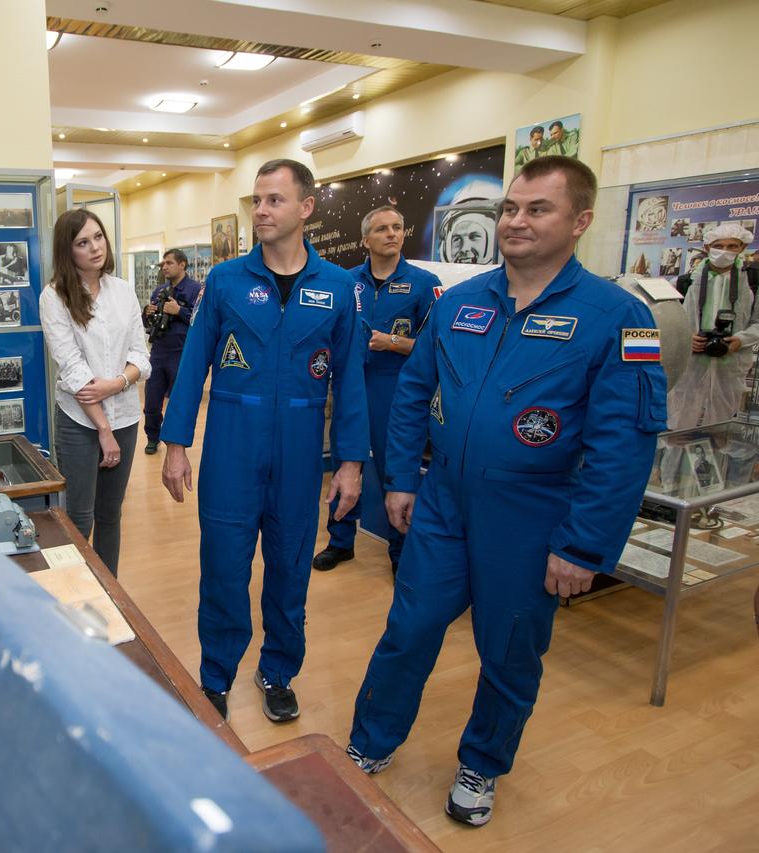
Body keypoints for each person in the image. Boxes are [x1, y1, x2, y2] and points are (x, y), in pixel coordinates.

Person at [343, 156, 667, 827]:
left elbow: (624, 445)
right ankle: (371, 740)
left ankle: (482, 763)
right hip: (443, 505)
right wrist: (401, 477)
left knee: (509, 651)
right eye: (510, 208)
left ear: (580, 220)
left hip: (533, 520)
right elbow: (411, 391)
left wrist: (583, 546)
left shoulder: (620, 318)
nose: (516, 221)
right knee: (408, 629)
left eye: (536, 209)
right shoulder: (459, 302)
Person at [160, 159, 369, 724]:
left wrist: (351, 463)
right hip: (231, 447)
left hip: (301, 455)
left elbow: (351, 382)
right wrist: (176, 444)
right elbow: (191, 368)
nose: (261, 211)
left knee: (290, 568)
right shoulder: (226, 282)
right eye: (256, 200)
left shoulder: (339, 287)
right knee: (224, 568)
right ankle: (216, 676)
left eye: (274, 200)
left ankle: (278, 670)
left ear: (305, 208)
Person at [313, 206, 439, 574]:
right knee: (345, 462)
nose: (392, 234)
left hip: (398, 393)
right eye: (382, 229)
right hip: (352, 387)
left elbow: (438, 347)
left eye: (397, 227)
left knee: (396, 471)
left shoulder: (423, 284)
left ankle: (400, 551)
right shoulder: (343, 282)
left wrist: (394, 344)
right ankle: (340, 541)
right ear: (366, 240)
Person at [39, 208, 150, 576]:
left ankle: (110, 594)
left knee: (110, 513)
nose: (94, 248)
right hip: (79, 420)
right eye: (82, 243)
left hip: (127, 414)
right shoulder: (54, 296)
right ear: (67, 251)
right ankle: (75, 591)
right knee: (79, 515)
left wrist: (118, 382)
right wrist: (104, 430)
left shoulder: (122, 290)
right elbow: (74, 370)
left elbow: (140, 354)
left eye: (98, 237)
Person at [665, 222, 757, 430]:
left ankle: (716, 460)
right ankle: (674, 461)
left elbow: (758, 322)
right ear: (707, 248)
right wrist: (687, 337)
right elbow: (665, 321)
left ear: (742, 248)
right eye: (718, 245)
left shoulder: (752, 281)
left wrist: (741, 339)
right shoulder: (684, 282)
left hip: (730, 365)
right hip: (689, 365)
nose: (725, 251)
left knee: (721, 428)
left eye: (732, 246)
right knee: (679, 424)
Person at [141, 249, 202, 454]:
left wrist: (179, 311)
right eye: (162, 264)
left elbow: (201, 321)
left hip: (181, 352)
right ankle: (152, 437)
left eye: (169, 263)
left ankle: (176, 442)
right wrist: (147, 313)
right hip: (158, 351)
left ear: (182, 264)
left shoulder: (196, 290)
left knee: (178, 400)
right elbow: (149, 324)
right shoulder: (159, 291)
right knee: (152, 399)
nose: (164, 267)